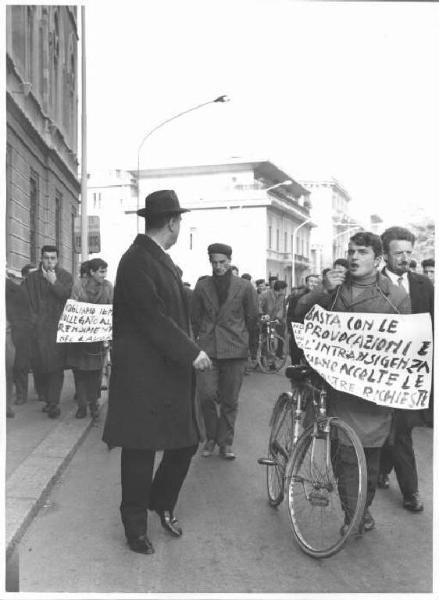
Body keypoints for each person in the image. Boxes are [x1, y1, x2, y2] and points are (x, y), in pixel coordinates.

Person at [103, 190, 211, 556]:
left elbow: (171, 311)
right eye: (179, 221)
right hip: (143, 378)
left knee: (186, 441)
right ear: (172, 223)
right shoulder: (136, 260)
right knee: (140, 451)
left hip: (167, 374)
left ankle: (160, 502)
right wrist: (190, 351)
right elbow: (152, 317)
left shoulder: (156, 260)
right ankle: (135, 526)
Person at [295, 231, 410, 533]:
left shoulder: (395, 297)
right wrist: (321, 291)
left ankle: (362, 508)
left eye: (362, 252)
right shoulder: (333, 289)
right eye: (351, 251)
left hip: (373, 394)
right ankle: (353, 515)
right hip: (335, 390)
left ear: (379, 259)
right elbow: (298, 316)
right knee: (344, 455)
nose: (354, 257)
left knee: (368, 462)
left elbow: (407, 347)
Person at [377, 227, 434, 512]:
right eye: (398, 252)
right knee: (391, 428)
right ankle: (398, 482)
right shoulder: (371, 284)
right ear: (385, 253)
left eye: (409, 252)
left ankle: (399, 482)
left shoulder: (424, 285)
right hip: (379, 371)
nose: (405, 258)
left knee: (401, 429)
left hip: (413, 373)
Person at [192, 243, 258, 460]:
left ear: (230, 261)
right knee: (207, 396)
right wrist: (197, 343)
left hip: (235, 349)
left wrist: (252, 349)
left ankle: (225, 442)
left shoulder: (245, 287)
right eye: (214, 262)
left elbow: (252, 319)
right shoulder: (202, 287)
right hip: (209, 349)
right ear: (210, 262)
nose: (218, 266)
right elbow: (195, 318)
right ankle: (211, 437)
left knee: (230, 400)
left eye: (222, 262)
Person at [23, 246, 73, 418]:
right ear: (41, 259)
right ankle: (46, 398)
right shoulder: (31, 278)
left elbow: (68, 296)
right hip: (36, 332)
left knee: (56, 368)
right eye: (46, 258)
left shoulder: (65, 276)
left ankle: (53, 403)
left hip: (56, 331)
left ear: (57, 259)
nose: (50, 261)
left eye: (53, 258)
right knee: (39, 368)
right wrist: (32, 322)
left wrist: (54, 282)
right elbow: (25, 302)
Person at [67, 258, 113, 420]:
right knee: (80, 373)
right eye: (101, 271)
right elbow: (73, 307)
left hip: (98, 340)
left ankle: (93, 404)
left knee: (95, 374)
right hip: (80, 339)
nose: (104, 275)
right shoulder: (79, 285)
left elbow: (112, 308)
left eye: (105, 271)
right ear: (92, 272)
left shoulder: (108, 287)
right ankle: (82, 406)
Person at [12, 263, 36, 405]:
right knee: (20, 364)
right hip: (23, 333)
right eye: (31, 275)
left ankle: (42, 392)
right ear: (24, 276)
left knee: (40, 364)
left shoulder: (43, 289)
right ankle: (21, 394)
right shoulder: (17, 291)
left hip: (39, 333)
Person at [286, 274, 321, 365]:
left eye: (316, 282)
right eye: (311, 281)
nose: (313, 284)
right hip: (299, 329)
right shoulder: (296, 296)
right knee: (296, 353)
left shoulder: (322, 297)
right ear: (306, 283)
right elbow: (290, 313)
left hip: (314, 331)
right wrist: (291, 327)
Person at [260, 279, 288, 360]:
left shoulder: (282, 297)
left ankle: (272, 359)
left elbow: (281, 309)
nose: (285, 290)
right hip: (265, 319)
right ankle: (263, 357)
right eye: (285, 289)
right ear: (281, 289)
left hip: (274, 320)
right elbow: (259, 306)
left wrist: (278, 318)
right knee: (265, 340)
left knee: (273, 339)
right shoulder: (265, 295)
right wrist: (263, 315)